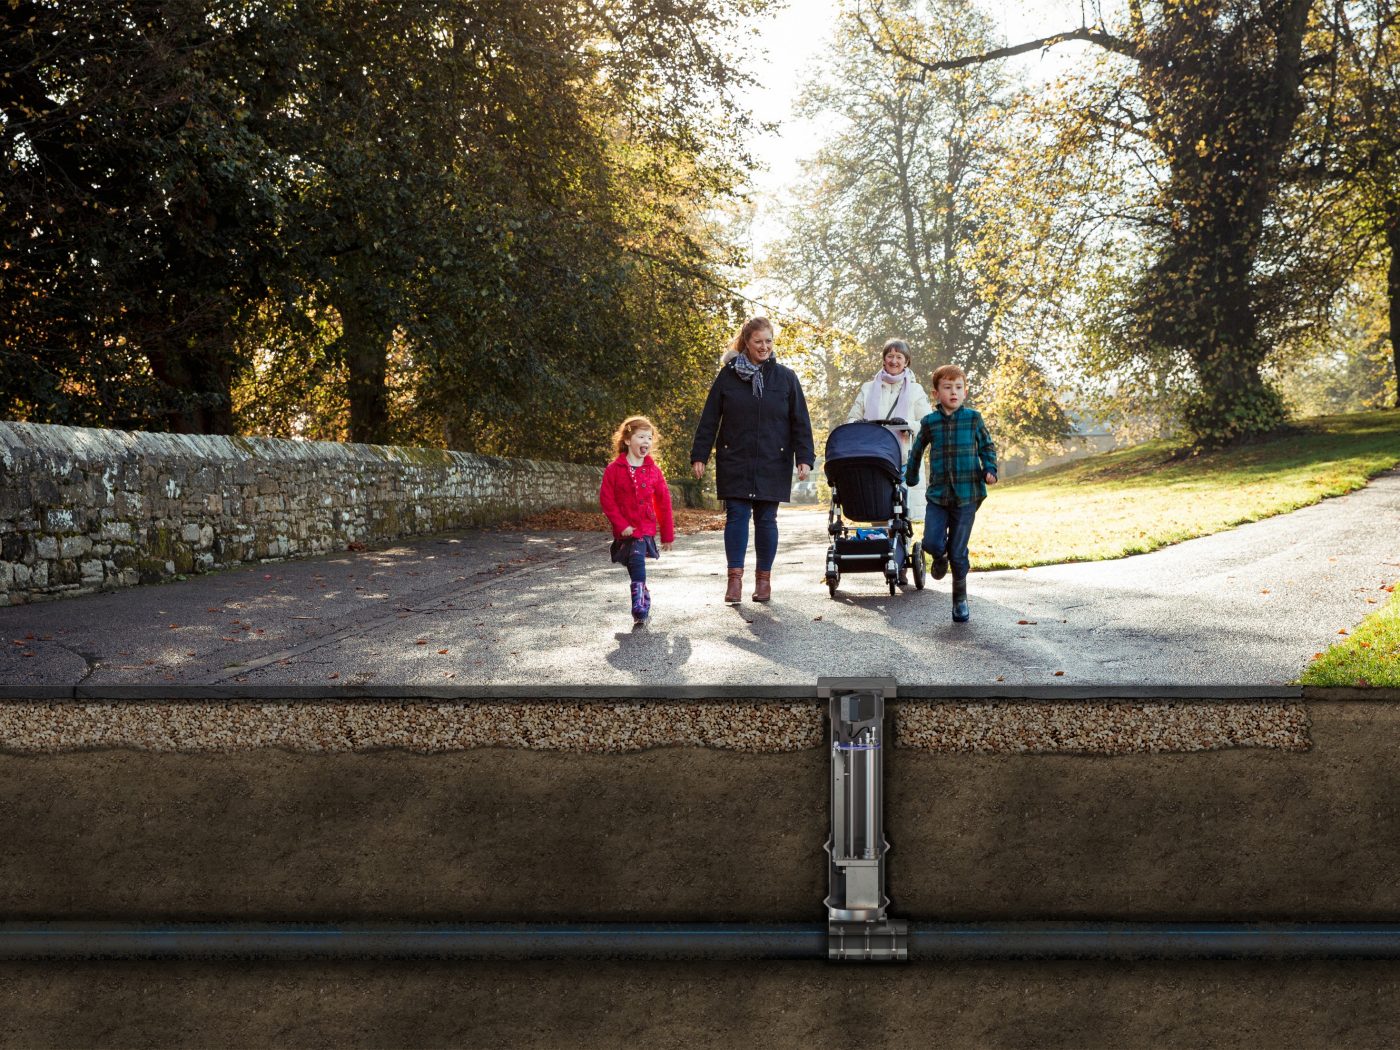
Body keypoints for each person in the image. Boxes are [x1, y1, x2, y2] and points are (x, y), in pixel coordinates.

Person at [690, 316, 815, 604]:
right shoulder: (728, 376)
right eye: (758, 341)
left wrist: (804, 457)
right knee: (736, 517)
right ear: (746, 342)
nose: (764, 347)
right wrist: (700, 454)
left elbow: (800, 422)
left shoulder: (786, 378)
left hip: (774, 459)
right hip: (735, 457)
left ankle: (763, 582)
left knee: (766, 520)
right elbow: (709, 418)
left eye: (769, 341)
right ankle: (734, 582)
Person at [904, 364, 998, 623]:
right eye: (947, 387)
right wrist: (911, 476)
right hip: (938, 495)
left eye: (958, 387)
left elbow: (987, 446)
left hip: (968, 494)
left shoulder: (973, 418)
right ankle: (939, 555)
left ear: (964, 392)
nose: (953, 392)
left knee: (959, 552)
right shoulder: (930, 422)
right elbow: (917, 450)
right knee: (932, 542)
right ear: (937, 393)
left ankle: (960, 599)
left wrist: (989, 468)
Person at [846, 337, 933, 537]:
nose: (894, 361)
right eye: (890, 356)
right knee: (878, 510)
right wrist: (858, 426)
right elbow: (852, 418)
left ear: (906, 361)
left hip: (903, 459)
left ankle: (900, 555)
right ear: (884, 359)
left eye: (899, 357)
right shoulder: (868, 388)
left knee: (900, 514)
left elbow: (928, 423)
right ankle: (882, 553)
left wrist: (906, 424)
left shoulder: (916, 390)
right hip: (873, 457)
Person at [600, 416, 675, 623]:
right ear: (627, 440)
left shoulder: (653, 471)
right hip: (625, 529)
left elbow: (663, 503)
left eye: (649, 438)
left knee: (636, 556)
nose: (646, 442)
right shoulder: (613, 470)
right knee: (633, 560)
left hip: (645, 528)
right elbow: (607, 501)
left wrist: (667, 534)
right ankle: (643, 591)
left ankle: (639, 601)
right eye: (641, 436)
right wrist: (621, 524)